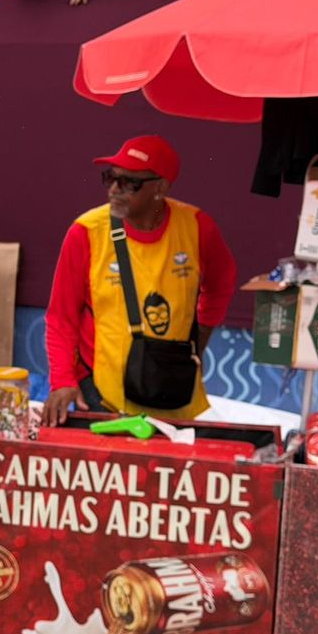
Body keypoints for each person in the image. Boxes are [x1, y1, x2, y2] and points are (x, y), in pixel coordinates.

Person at [41, 135, 237, 426]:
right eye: (110, 178)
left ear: (160, 188)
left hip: (172, 390)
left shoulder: (197, 227)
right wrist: (62, 380)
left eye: (129, 182)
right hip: (102, 393)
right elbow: (61, 318)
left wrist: (199, 340)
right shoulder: (86, 232)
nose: (114, 190)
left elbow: (222, 282)